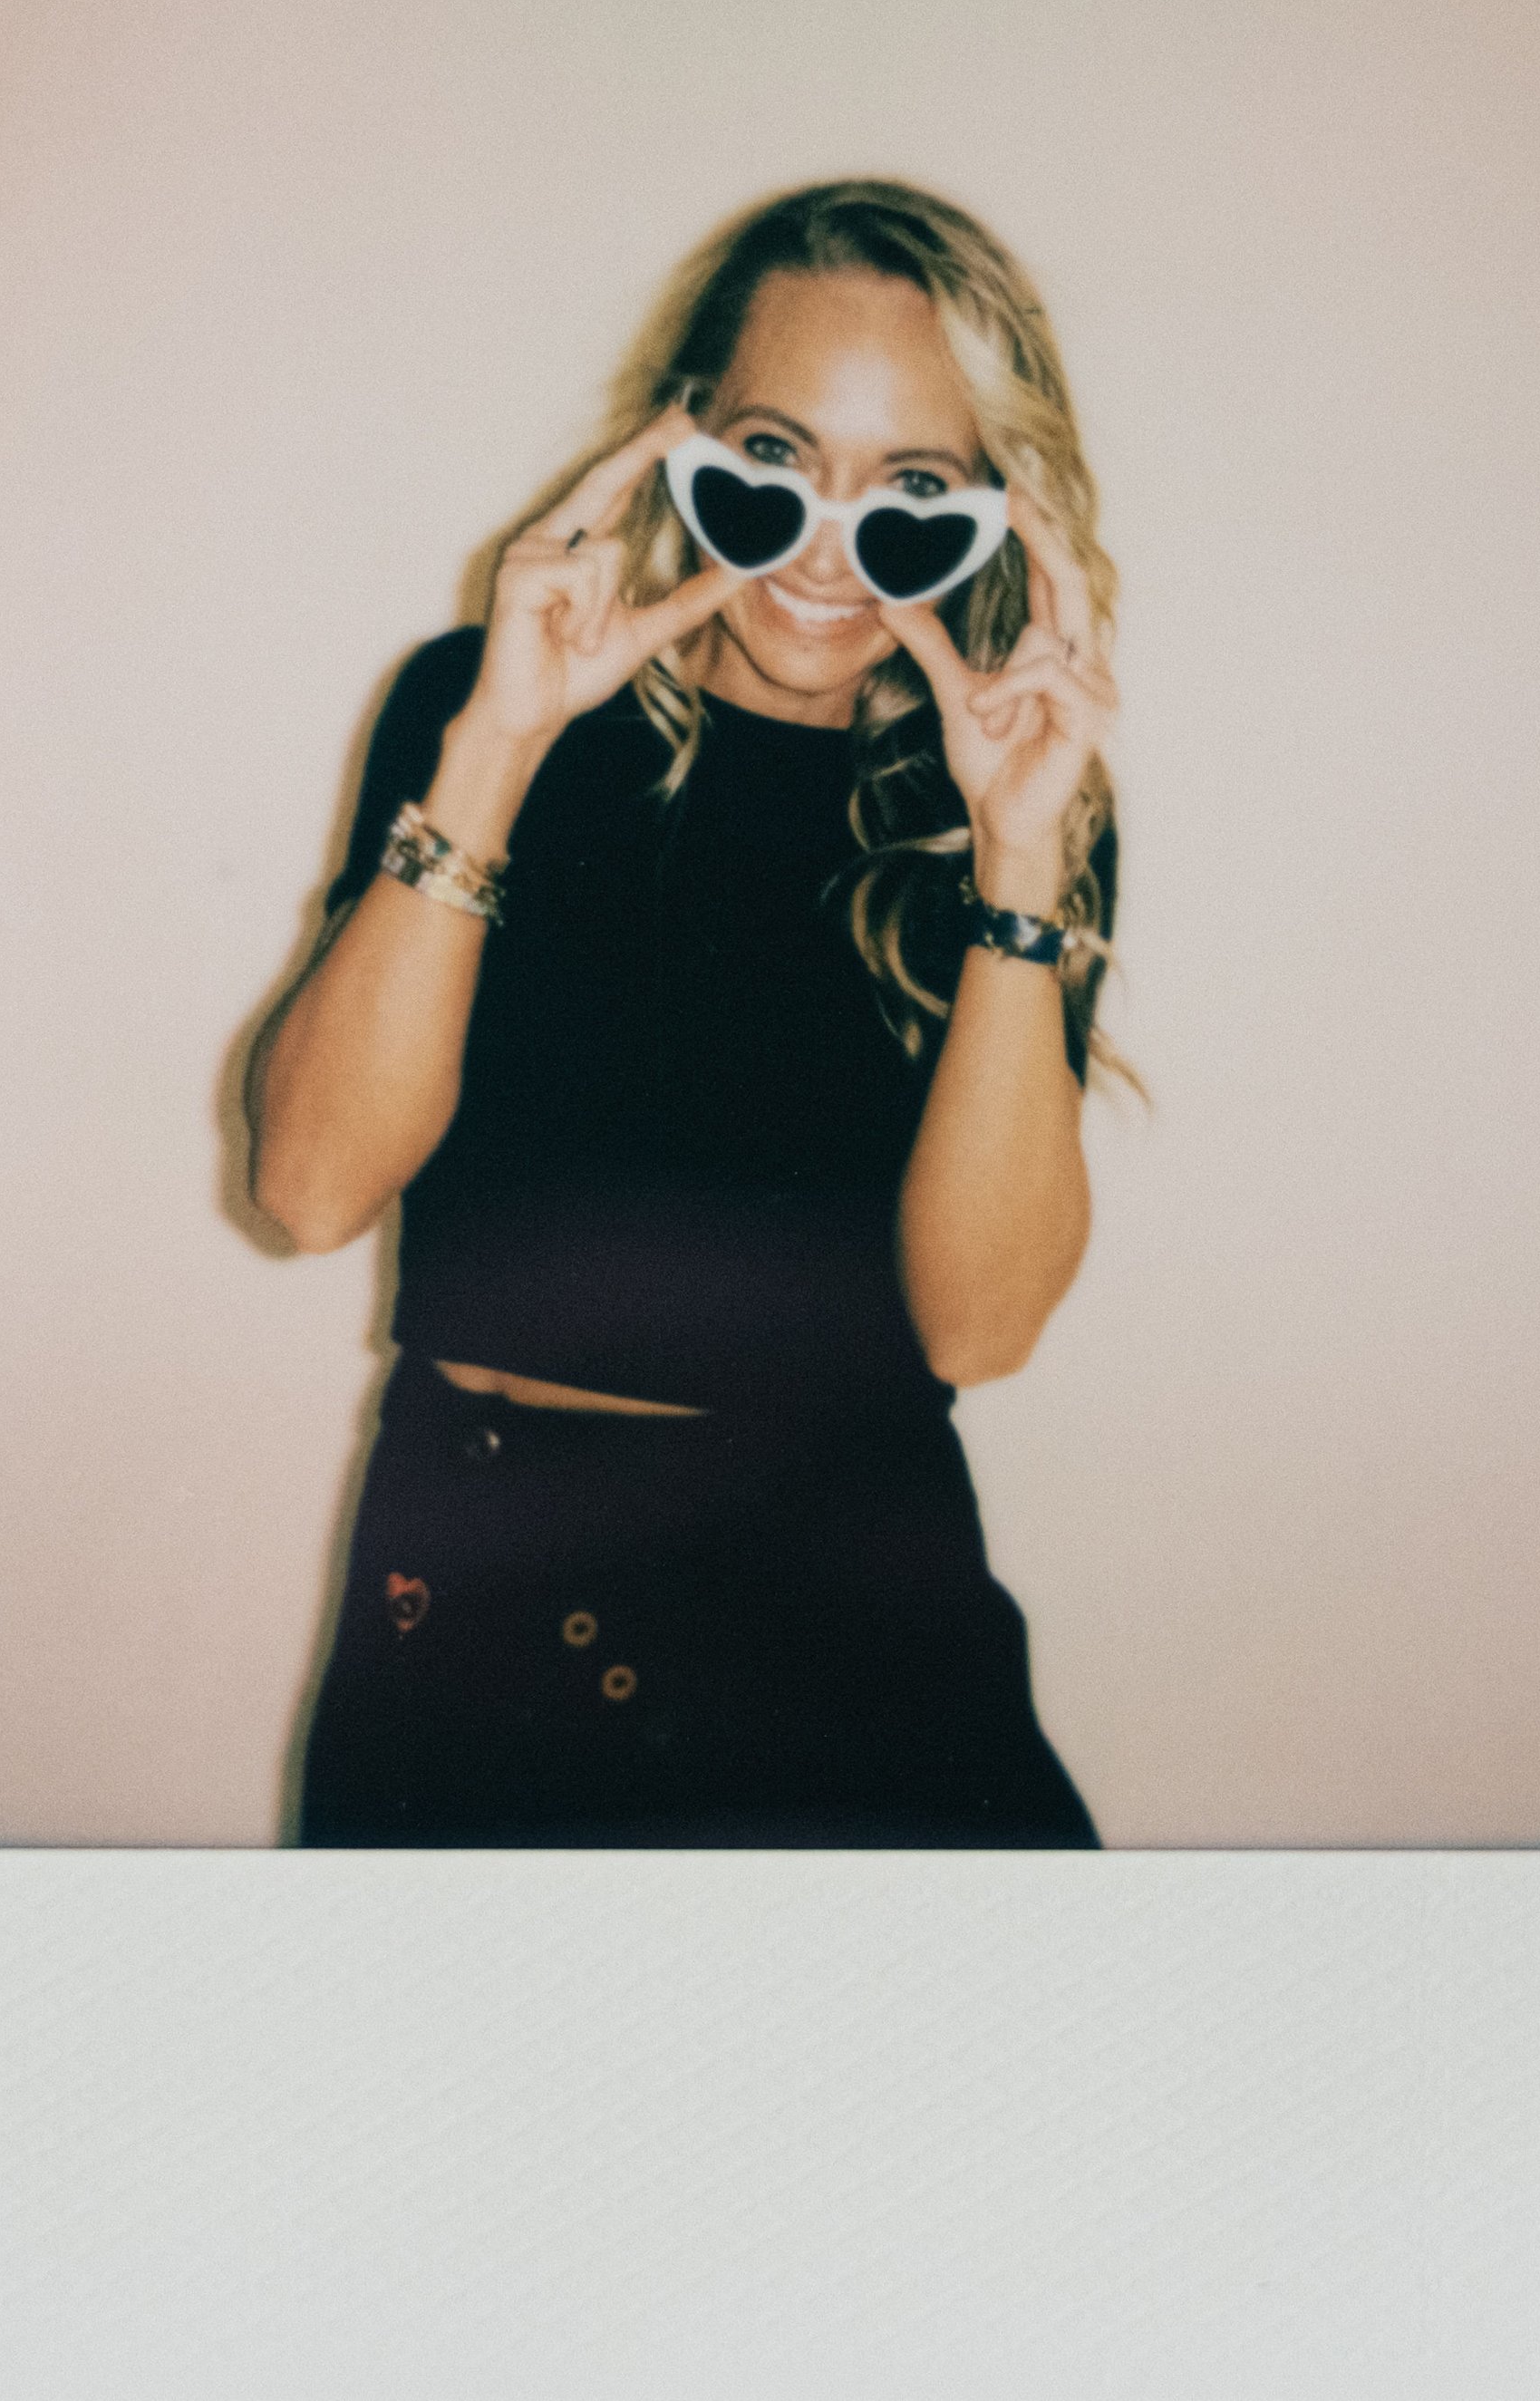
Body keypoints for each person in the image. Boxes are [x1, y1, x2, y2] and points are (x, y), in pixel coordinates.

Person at [247, 178, 1125, 1848]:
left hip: (856, 1616)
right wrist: (499, 749)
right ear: (685, 440)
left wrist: (1021, 861)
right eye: (776, 458)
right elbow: (308, 1187)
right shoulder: (480, 711)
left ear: (995, 514)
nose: (826, 545)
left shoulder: (1002, 800)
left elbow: (980, 1330)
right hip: (485, 1602)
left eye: (912, 490)